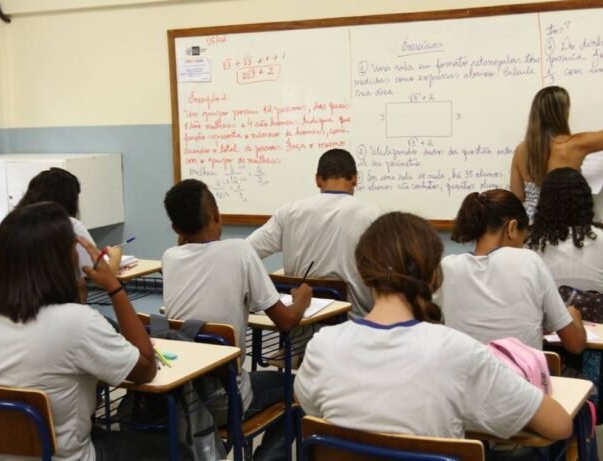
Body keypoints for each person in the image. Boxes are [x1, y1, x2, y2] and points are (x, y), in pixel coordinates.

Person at [295, 212, 573, 447]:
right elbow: (559, 425)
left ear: (363, 272)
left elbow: (308, 403)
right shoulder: (458, 352)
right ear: (434, 276)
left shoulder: (323, 345)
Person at [0, 202, 167, 461]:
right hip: (60, 457)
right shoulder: (78, 322)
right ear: (61, 260)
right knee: (174, 450)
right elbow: (146, 369)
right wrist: (114, 287)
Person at [162, 178, 312, 461]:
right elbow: (285, 322)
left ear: (176, 229)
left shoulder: (169, 258)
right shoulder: (239, 251)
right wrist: (301, 300)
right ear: (216, 214)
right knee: (304, 387)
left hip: (185, 399)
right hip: (228, 399)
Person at [510, 61, 603, 220]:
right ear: (561, 113)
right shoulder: (574, 144)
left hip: (532, 228)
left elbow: (517, 197)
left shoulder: (521, 150)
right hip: (565, 226)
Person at [441, 189, 586, 353]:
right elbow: (575, 345)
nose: (522, 246)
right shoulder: (529, 261)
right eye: (523, 240)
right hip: (517, 370)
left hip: (462, 369)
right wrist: (573, 315)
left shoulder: (447, 267)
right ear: (512, 227)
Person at [246, 148, 380, 319]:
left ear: (317, 180)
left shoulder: (288, 213)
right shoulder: (374, 216)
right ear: (355, 178)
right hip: (355, 323)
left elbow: (245, 252)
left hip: (300, 325)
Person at [529, 167, 603, 294]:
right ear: (586, 200)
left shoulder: (529, 241)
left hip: (546, 308)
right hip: (597, 307)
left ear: (543, 203)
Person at [16, 168, 122, 300]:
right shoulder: (70, 226)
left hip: (17, 303)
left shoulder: (14, 224)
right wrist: (115, 258)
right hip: (57, 304)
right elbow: (103, 280)